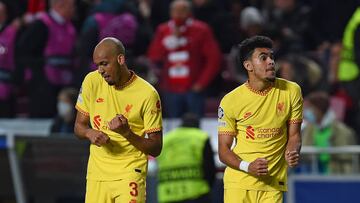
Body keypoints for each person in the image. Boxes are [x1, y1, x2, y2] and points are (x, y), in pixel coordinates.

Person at [74, 37, 163, 203]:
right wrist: (89, 132)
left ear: (120, 59)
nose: (100, 70)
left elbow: (156, 148)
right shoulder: (91, 81)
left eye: (104, 64)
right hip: (97, 174)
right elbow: (79, 126)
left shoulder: (147, 94)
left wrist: (126, 133)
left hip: (129, 172)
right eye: (97, 65)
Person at [218, 36, 303, 203]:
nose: (271, 62)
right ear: (248, 65)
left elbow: (294, 136)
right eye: (263, 58)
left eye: (272, 57)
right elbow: (223, 150)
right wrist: (247, 166)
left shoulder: (291, 91)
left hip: (272, 185)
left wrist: (292, 151)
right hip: (239, 184)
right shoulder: (230, 101)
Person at [147, 0, 222, 118]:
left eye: (182, 11)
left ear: (189, 12)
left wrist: (201, 83)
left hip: (193, 89)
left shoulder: (201, 29)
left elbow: (214, 59)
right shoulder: (163, 30)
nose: (178, 14)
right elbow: (154, 57)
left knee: (195, 125)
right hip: (170, 89)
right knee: (173, 125)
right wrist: (168, 43)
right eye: (175, 11)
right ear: (170, 13)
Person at [16, 0, 76, 117]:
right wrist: (39, 71)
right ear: (60, 5)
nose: (74, 9)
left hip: (65, 84)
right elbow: (23, 51)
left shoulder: (70, 27)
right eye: (72, 5)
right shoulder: (41, 24)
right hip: (43, 86)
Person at [156, 112, 216, 203]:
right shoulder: (200, 137)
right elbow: (209, 167)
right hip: (196, 193)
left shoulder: (165, 139)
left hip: (167, 194)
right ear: (198, 125)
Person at [302, 91, 356, 174]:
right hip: (313, 179)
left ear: (318, 109)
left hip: (336, 179)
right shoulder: (309, 129)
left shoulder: (342, 132)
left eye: (309, 108)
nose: (305, 112)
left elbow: (349, 163)